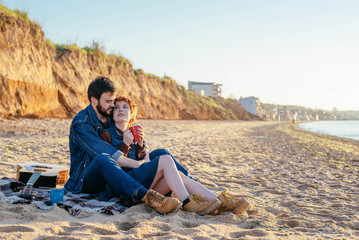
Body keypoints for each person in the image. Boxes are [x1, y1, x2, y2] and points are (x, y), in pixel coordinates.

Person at [99, 96, 251, 215]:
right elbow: (110, 167)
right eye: (117, 107)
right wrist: (125, 143)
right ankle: (187, 202)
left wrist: (140, 145)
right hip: (126, 188)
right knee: (165, 159)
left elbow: (145, 163)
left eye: (125, 107)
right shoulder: (107, 134)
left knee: (176, 174)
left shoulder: (136, 132)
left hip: (145, 186)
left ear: (131, 114)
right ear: (112, 114)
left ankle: (218, 201)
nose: (120, 109)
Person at [64, 76, 183, 214]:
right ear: (94, 100)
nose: (112, 106)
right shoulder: (81, 123)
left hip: (111, 175)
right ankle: (146, 196)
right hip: (85, 181)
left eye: (112, 101)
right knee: (103, 158)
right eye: (108, 102)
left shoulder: (107, 113)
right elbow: (107, 153)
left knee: (161, 153)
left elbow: (124, 131)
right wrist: (140, 164)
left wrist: (142, 146)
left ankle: (190, 190)